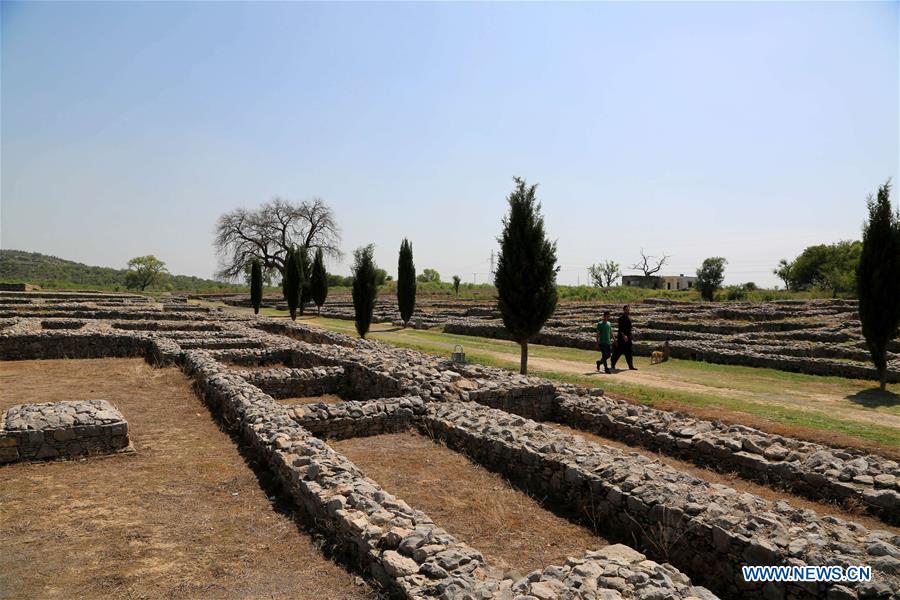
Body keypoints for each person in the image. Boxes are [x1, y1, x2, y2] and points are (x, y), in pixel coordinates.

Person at [611, 304, 637, 370]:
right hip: (622, 338)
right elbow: (621, 329)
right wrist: (624, 336)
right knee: (618, 352)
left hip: (628, 337)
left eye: (628, 310)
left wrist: (629, 336)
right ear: (624, 310)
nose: (628, 311)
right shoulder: (621, 318)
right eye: (626, 310)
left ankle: (630, 366)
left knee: (629, 352)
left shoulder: (629, 318)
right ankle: (613, 364)